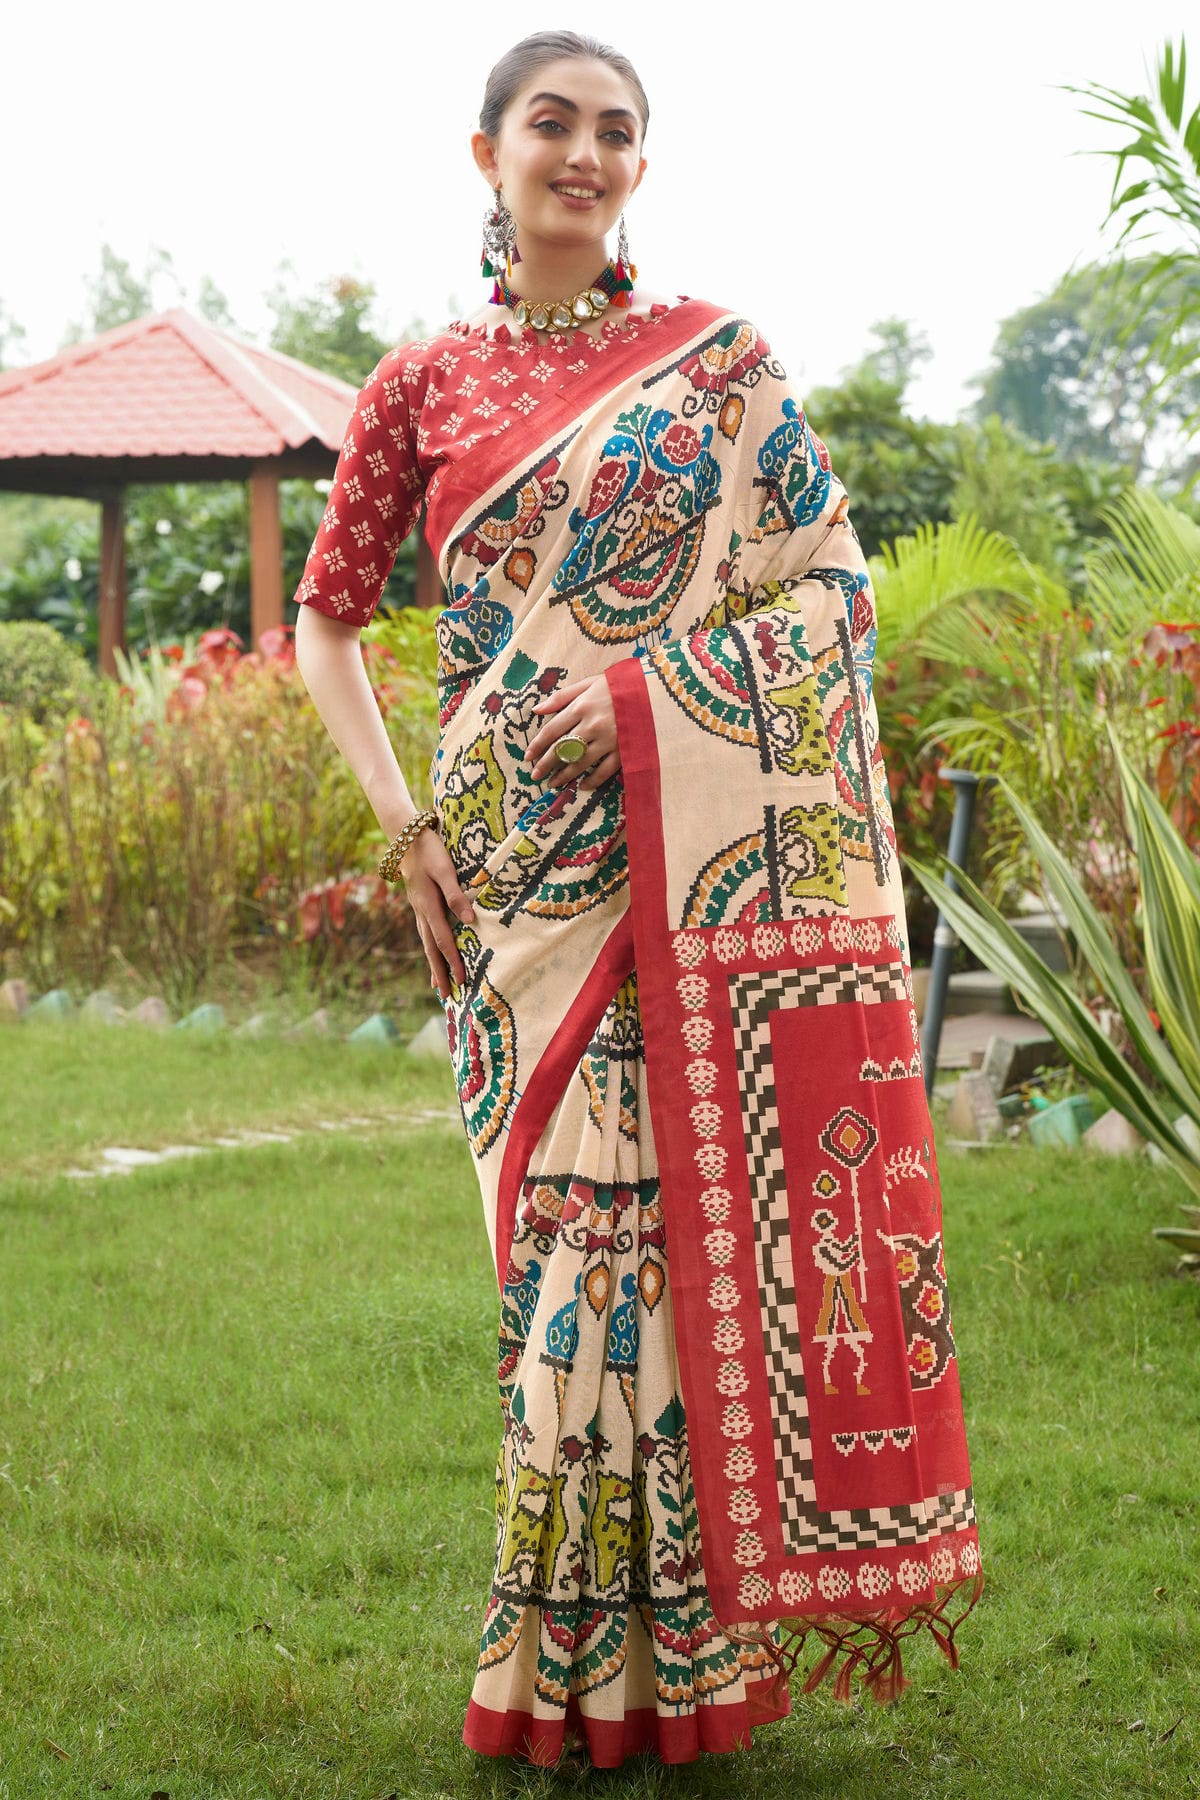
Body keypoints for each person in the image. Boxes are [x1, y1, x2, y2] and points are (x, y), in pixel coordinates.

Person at [292, 29, 982, 1772]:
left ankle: (660, 1679)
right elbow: (325, 618)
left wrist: (630, 711)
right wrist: (405, 824)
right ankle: (584, 1666)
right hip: (507, 895)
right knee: (551, 1273)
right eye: (552, 127)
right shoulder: (420, 383)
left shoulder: (719, 369)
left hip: (674, 871)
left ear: (640, 173)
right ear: (487, 156)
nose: (582, 158)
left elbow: (833, 600)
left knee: (655, 1264)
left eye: (615, 133)